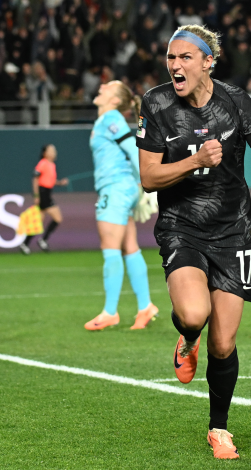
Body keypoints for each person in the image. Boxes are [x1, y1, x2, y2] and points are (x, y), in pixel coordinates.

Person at [137, 25, 251, 460]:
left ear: (209, 61)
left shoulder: (238, 103)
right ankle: (186, 339)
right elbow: (149, 177)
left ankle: (219, 429)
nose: (175, 66)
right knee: (193, 314)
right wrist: (194, 161)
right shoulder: (155, 103)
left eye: (185, 57)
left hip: (233, 229)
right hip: (181, 225)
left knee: (223, 344)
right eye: (171, 58)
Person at [83, 81, 160, 331]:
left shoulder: (110, 118)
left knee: (110, 248)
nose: (102, 85)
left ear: (115, 100)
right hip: (123, 186)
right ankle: (145, 306)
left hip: (115, 187)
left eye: (109, 86)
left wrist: (147, 184)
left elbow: (132, 147)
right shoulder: (107, 119)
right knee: (130, 248)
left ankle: (110, 312)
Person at [19, 144, 68, 255]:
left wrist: (60, 183)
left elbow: (51, 180)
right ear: (45, 153)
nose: (54, 152)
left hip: (47, 192)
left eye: (54, 150)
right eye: (51, 150)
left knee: (39, 221)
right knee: (57, 218)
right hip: (43, 193)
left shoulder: (52, 165)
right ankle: (43, 240)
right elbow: (35, 179)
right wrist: (36, 196)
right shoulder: (42, 164)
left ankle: (26, 244)